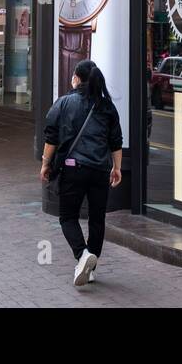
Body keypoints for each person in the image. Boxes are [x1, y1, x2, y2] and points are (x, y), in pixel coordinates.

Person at [40, 60, 123, 287]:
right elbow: (116, 141)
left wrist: (45, 164)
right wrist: (117, 168)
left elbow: (51, 138)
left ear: (76, 77)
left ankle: (82, 255)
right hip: (100, 171)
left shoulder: (64, 103)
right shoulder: (107, 106)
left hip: (72, 169)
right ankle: (91, 267)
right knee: (97, 219)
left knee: (68, 216)